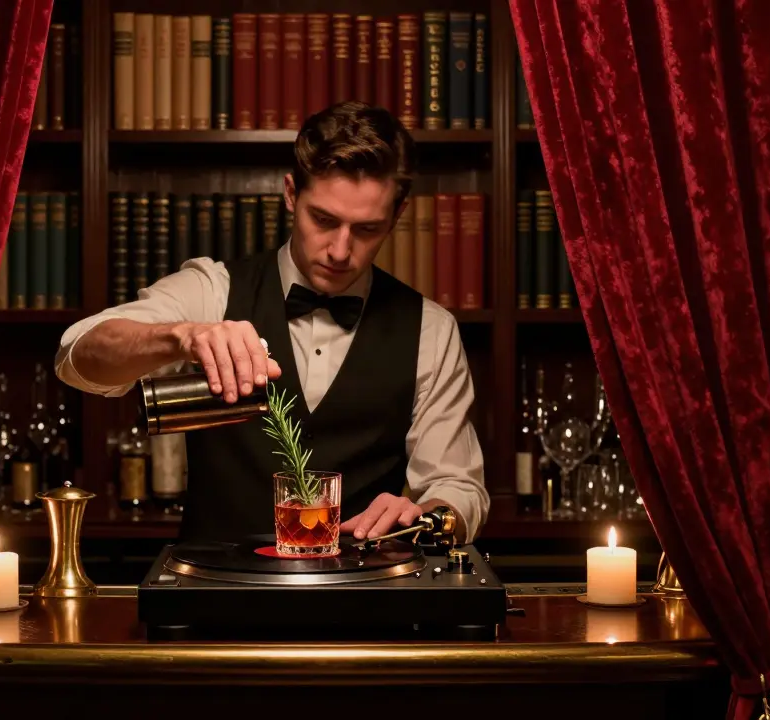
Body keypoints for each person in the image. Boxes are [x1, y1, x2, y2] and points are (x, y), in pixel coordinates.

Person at [55, 101, 489, 544]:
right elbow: (77, 355)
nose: (340, 250)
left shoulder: (430, 329)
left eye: (366, 230)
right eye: (323, 219)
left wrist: (426, 514)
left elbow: (459, 488)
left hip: (363, 600)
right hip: (215, 598)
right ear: (289, 194)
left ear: (397, 217)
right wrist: (183, 335)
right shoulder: (213, 290)